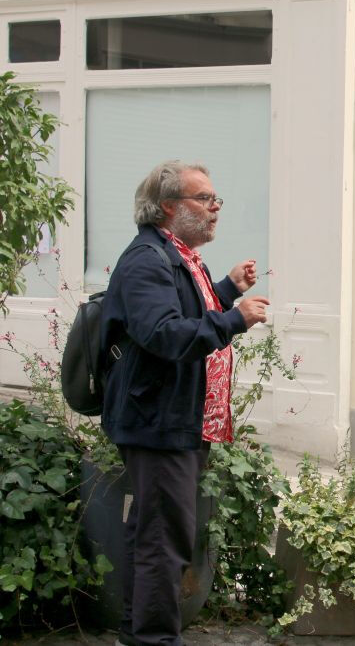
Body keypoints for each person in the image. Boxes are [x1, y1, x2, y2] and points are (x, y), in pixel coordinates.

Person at [100, 161, 269, 646]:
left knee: (152, 533)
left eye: (217, 199)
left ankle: (138, 632)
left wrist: (226, 290)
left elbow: (181, 313)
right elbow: (162, 334)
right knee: (164, 539)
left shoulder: (178, 256)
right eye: (204, 199)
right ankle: (154, 639)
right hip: (158, 420)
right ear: (169, 206)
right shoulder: (146, 260)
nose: (215, 208)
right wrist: (234, 319)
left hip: (178, 417)